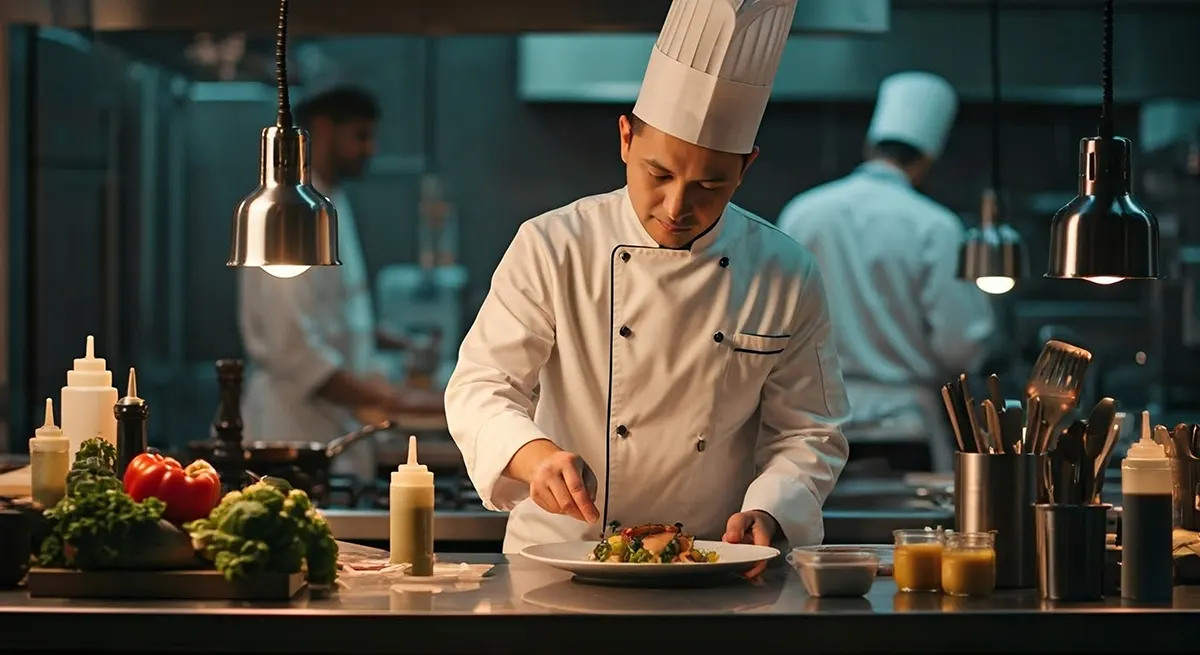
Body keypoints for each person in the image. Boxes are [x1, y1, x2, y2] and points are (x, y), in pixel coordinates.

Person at [445, 0, 851, 564]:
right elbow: (481, 386)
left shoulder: (786, 271)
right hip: (560, 559)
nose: (677, 206)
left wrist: (773, 508)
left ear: (746, 167)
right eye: (658, 174)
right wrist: (532, 454)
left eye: (709, 185)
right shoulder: (553, 245)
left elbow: (809, 429)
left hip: (710, 560)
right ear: (625, 140)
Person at [776, 72, 996, 474]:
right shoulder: (935, 225)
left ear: (869, 145)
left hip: (813, 424)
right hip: (902, 427)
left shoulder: (803, 212)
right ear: (927, 159)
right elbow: (961, 344)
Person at [238, 86, 440, 482]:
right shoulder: (284, 215)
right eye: (361, 136)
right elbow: (294, 349)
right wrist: (398, 401)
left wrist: (400, 344)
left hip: (334, 431)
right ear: (324, 130)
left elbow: (337, 312)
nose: (371, 150)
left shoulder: (329, 203)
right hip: (291, 435)